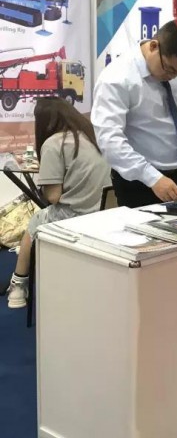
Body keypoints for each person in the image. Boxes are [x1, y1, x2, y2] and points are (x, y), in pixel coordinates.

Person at [91, 20, 177, 208]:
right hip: (139, 182)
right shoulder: (117, 78)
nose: (172, 76)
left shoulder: (176, 69)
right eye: (169, 69)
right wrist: (152, 178)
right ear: (153, 46)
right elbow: (109, 140)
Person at [6, 98, 110, 309]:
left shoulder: (54, 143)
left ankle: (18, 286)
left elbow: (52, 197)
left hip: (75, 218)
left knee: (34, 222)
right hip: (104, 214)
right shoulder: (93, 137)